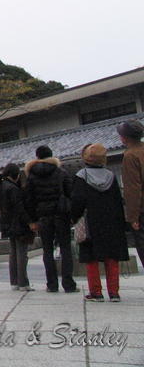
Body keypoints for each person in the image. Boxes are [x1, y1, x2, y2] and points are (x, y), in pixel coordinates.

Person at [70, 143, 129, 302]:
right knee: (112, 256)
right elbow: (118, 200)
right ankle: (114, 292)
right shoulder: (110, 176)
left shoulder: (81, 176)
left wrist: (74, 217)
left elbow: (77, 201)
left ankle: (96, 292)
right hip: (111, 220)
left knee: (91, 257)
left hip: (90, 221)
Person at [24, 145, 76, 293]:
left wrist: (32, 220)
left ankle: (51, 284)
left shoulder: (32, 176)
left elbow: (29, 200)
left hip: (43, 215)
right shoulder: (61, 173)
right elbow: (70, 193)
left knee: (47, 250)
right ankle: (68, 283)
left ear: (37, 157)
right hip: (61, 214)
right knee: (65, 248)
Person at [0, 163, 35, 291]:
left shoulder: (2, 187)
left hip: (7, 223)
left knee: (13, 253)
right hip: (18, 224)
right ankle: (23, 282)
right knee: (21, 253)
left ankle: (14, 281)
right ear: (15, 175)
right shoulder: (13, 189)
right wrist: (29, 222)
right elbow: (19, 208)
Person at [117, 119, 144, 268]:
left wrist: (133, 216)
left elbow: (133, 188)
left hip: (142, 209)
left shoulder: (130, 156)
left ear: (124, 137)